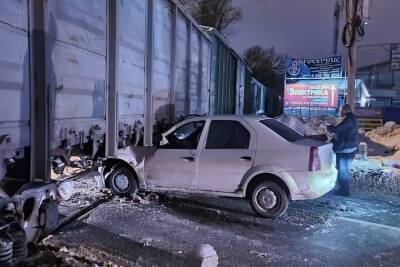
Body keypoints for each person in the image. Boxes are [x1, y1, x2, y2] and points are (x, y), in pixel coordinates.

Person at [327, 104, 359, 196]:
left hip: (347, 150)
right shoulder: (349, 118)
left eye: (341, 110)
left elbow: (338, 129)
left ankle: (344, 191)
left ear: (344, 110)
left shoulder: (349, 119)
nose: (340, 112)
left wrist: (327, 127)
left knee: (343, 171)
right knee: (341, 170)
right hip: (345, 148)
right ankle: (342, 189)